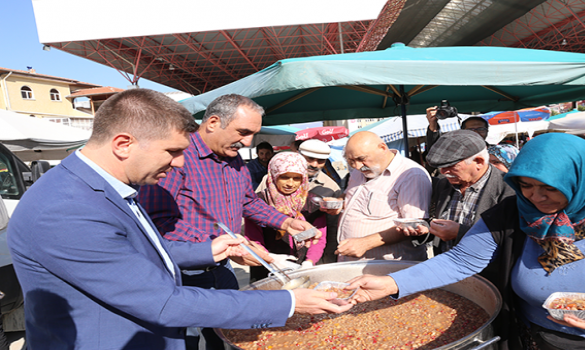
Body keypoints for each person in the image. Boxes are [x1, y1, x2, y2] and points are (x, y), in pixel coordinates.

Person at [7, 89, 349, 350]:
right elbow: (164, 302)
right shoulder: (67, 208)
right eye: (172, 152)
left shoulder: (104, 186)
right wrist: (287, 301)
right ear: (124, 144)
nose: (180, 164)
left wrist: (208, 250)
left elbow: (133, 251)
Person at [349, 133, 585, 350]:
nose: (536, 198)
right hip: (530, 338)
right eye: (525, 185)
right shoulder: (512, 212)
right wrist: (392, 284)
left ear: (580, 178)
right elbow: (460, 260)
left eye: (549, 188)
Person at [137, 93, 315, 349]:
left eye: (253, 133)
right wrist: (225, 245)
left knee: (229, 336)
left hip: (224, 270)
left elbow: (248, 202)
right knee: (183, 340)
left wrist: (285, 222)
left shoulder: (235, 161)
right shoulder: (177, 157)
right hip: (183, 273)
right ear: (212, 122)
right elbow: (157, 221)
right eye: (243, 132)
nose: (248, 141)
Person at [411, 130, 515, 257]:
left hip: (486, 274)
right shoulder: (444, 185)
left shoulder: (510, 190)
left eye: (451, 166)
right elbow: (440, 228)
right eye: (441, 167)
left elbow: (511, 241)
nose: (444, 172)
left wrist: (460, 233)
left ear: (479, 162)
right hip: (445, 268)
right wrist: (426, 230)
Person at [336, 131, 432, 262]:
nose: (357, 166)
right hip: (352, 263)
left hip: (388, 267)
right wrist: (339, 202)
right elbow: (351, 196)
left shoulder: (411, 175)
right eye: (351, 161)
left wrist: (365, 243)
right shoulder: (358, 172)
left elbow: (413, 225)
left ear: (382, 148)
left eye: (361, 159)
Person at [246, 152, 326, 281]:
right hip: (267, 268)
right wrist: (270, 259)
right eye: (284, 177)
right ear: (273, 176)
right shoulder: (257, 203)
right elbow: (253, 239)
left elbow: (319, 238)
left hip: (305, 268)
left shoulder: (313, 203)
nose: (290, 183)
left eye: (296, 178)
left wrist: (309, 262)